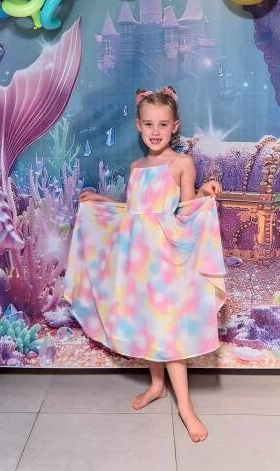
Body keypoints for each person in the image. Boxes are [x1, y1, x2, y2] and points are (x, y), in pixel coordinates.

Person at [64, 86, 227, 442]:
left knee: (168, 331)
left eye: (163, 124)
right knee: (148, 326)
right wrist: (101, 201)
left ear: (175, 126)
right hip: (137, 262)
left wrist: (204, 193)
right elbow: (133, 212)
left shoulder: (182, 164)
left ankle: (186, 408)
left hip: (166, 260)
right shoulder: (136, 167)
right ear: (138, 126)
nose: (156, 131)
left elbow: (185, 211)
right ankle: (156, 385)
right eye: (149, 124)